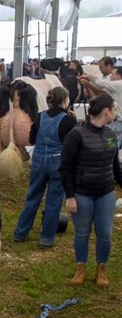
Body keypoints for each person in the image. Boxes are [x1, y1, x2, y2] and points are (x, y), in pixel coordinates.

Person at [60, 94, 122, 287]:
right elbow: (65, 167)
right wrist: (70, 196)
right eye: (114, 109)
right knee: (82, 233)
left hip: (105, 193)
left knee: (105, 233)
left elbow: (116, 167)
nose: (115, 113)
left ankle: (101, 270)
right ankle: (81, 269)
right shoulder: (76, 135)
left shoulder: (111, 134)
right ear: (106, 111)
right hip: (82, 194)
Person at [13, 87, 78, 247]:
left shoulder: (40, 117)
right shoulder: (68, 120)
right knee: (53, 201)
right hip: (57, 163)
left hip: (39, 161)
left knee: (32, 197)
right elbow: (72, 144)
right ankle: (47, 239)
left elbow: (32, 139)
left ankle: (20, 233)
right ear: (65, 101)